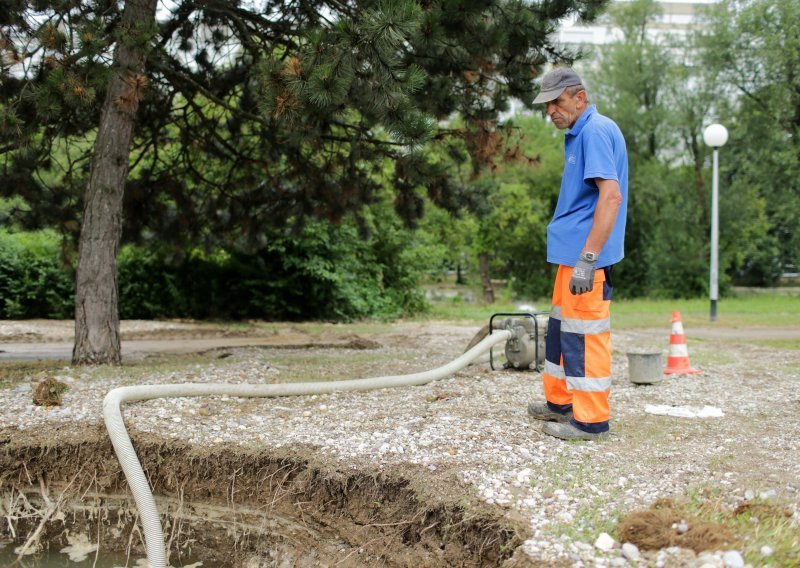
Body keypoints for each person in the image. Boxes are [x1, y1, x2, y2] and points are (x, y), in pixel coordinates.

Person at [527, 67, 628, 441]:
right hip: (571, 258)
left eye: (557, 101)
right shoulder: (579, 133)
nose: (551, 110)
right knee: (561, 332)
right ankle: (561, 403)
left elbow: (611, 196)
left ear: (579, 96)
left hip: (586, 261)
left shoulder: (596, 131)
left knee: (585, 336)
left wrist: (589, 259)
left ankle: (590, 422)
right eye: (547, 104)